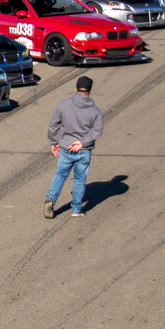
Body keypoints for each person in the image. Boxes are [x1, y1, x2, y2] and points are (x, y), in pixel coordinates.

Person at [45, 75, 105, 220]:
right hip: (83, 151)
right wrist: (82, 143)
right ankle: (76, 209)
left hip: (65, 147)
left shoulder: (64, 105)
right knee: (79, 179)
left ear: (76, 88)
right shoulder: (95, 111)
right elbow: (97, 131)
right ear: (90, 91)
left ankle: (51, 199)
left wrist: (54, 142)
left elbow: (54, 125)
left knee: (60, 175)